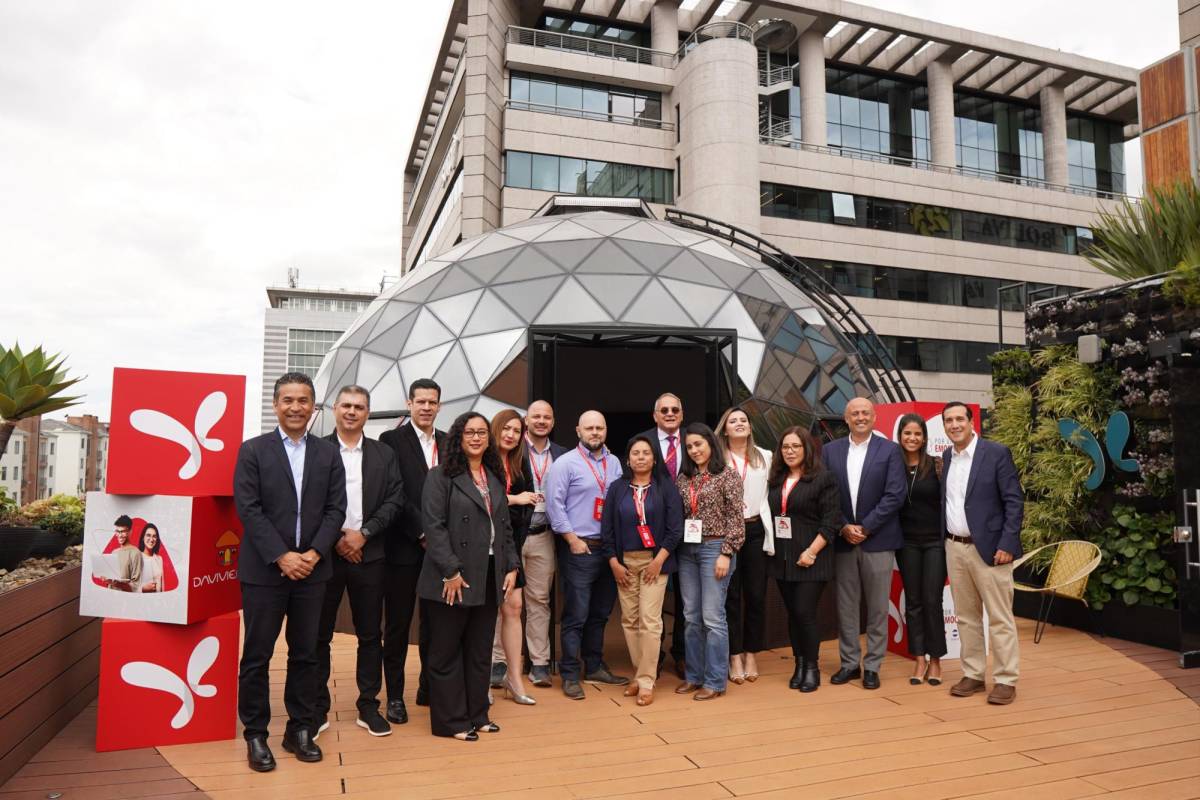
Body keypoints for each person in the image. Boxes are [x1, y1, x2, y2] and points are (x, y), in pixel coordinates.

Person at [233, 372, 346, 772]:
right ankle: (256, 734)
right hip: (265, 572)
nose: (295, 407)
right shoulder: (253, 451)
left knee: (306, 654)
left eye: (303, 400)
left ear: (314, 407)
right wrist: (282, 555)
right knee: (257, 656)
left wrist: (313, 553)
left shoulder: (328, 453)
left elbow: (336, 510)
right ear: (276, 405)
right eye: (288, 400)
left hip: (313, 572)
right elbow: (248, 509)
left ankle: (300, 728)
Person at [418, 412, 520, 740]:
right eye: (469, 432)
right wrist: (450, 571)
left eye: (481, 432)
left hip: (489, 573)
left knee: (478, 650)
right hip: (452, 577)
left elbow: (504, 528)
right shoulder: (440, 476)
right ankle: (451, 722)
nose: (476, 438)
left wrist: (512, 566)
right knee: (446, 650)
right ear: (458, 438)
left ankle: (478, 715)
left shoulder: (492, 477)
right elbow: (433, 527)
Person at [313, 385, 405, 739]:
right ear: (335, 409)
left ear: (368, 413)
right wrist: (337, 538)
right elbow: (308, 500)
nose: (352, 412)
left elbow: (395, 499)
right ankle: (317, 706)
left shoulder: (384, 453)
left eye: (360, 407)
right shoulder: (316, 449)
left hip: (370, 553)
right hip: (326, 555)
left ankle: (369, 705)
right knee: (319, 634)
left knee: (370, 634)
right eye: (346, 405)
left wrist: (363, 533)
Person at [941, 401, 1024, 705]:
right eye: (948, 420)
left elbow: (1014, 501)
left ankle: (1005, 679)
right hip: (955, 546)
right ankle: (974, 674)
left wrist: (1007, 544)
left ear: (971, 421)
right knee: (966, 617)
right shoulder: (947, 456)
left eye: (959, 419)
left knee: (1000, 619)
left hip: (991, 550)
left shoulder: (996, 453)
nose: (954, 425)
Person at [544, 410, 630, 700]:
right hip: (580, 548)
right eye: (589, 428)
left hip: (608, 550)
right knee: (576, 615)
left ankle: (594, 666)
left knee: (601, 614)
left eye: (600, 428)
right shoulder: (565, 463)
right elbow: (554, 505)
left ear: (606, 431)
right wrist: (570, 539)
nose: (595, 432)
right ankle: (569, 673)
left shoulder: (615, 462)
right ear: (578, 431)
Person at [822, 397, 906, 691]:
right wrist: (844, 526)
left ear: (873, 417)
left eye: (865, 413)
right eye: (854, 413)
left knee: (877, 608)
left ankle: (872, 666)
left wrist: (866, 527)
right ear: (845, 419)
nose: (860, 417)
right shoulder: (829, 451)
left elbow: (895, 495)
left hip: (878, 541)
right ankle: (849, 664)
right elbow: (827, 494)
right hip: (844, 541)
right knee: (846, 607)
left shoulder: (891, 451)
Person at [379, 378, 445, 723]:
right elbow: (395, 492)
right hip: (404, 547)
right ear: (409, 404)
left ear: (439, 406)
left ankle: (428, 687)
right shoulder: (391, 440)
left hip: (440, 551)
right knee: (399, 625)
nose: (426, 407)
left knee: (434, 623)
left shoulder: (449, 443)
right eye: (420, 401)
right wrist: (422, 531)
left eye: (432, 402)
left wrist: (439, 537)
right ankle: (393, 696)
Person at [600, 435, 684, 706]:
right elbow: (607, 530)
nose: (640, 457)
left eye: (646, 453)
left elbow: (675, 528)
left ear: (654, 459)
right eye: (635, 453)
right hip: (624, 563)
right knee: (629, 620)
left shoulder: (665, 488)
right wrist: (613, 562)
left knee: (650, 620)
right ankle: (640, 673)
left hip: (654, 562)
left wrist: (659, 560)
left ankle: (646, 680)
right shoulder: (617, 489)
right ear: (628, 459)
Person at [766, 427, 840, 692]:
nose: (790, 451)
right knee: (792, 615)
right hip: (784, 559)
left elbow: (831, 522)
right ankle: (798, 664)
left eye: (795, 446)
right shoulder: (775, 479)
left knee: (805, 613)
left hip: (812, 558)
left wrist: (811, 552)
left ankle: (812, 667)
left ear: (807, 449)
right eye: (785, 447)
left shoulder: (823, 479)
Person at [674, 422, 743, 701]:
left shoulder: (727, 475)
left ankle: (715, 681)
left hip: (715, 548)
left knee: (713, 617)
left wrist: (727, 552)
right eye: (689, 446)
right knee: (691, 617)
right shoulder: (683, 478)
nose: (694, 450)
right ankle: (694, 676)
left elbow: (736, 518)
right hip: (687, 551)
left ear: (711, 444)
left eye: (698, 444)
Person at [630, 392, 686, 678]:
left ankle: (681, 654)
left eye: (675, 409)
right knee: (653, 602)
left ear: (682, 413)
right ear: (655, 415)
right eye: (663, 409)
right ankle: (655, 656)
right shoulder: (643, 442)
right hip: (650, 534)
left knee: (685, 598)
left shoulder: (692, 440)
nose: (669, 413)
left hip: (688, 532)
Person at [717, 407, 774, 685]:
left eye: (743, 420)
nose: (739, 424)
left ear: (750, 428)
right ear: (725, 429)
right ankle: (734, 654)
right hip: (726, 533)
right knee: (730, 596)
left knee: (756, 595)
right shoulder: (717, 458)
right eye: (733, 421)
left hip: (754, 530)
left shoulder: (766, 456)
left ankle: (752, 652)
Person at [488, 409, 536, 705]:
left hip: (510, 546)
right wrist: (515, 500)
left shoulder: (519, 464)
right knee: (484, 613)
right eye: (506, 428)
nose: (510, 434)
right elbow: (479, 496)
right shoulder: (482, 459)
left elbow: (529, 500)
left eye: (516, 431)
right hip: (481, 547)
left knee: (514, 608)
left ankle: (514, 678)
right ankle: (480, 679)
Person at [894, 413, 946, 686]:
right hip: (906, 543)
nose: (912, 438)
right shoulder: (894, 466)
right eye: (907, 433)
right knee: (913, 601)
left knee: (932, 600)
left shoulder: (937, 465)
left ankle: (936, 659)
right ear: (900, 436)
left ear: (924, 437)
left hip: (935, 542)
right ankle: (919, 658)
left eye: (917, 434)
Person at [521, 399, 568, 688]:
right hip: (513, 534)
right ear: (526, 420)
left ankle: (539, 662)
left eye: (546, 417)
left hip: (544, 535)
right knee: (504, 601)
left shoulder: (563, 454)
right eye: (536, 416)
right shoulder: (512, 448)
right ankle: (498, 662)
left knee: (539, 600)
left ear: (552, 422)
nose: (541, 421)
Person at [106, 515, 142, 591]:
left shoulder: (136, 553)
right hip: (111, 596)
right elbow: (110, 582)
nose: (120, 535)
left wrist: (116, 584)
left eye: (123, 531)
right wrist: (107, 579)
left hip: (125, 599)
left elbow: (136, 586)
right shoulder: (114, 552)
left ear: (130, 532)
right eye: (117, 531)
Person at [136, 523, 163, 593]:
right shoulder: (137, 558)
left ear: (157, 539)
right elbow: (130, 586)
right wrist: (143, 588)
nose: (151, 539)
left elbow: (162, 587)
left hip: (158, 601)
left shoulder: (159, 559)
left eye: (154, 536)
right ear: (143, 537)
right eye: (148, 535)